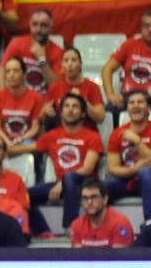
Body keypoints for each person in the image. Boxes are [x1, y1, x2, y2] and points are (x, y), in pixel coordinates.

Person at [28, 93, 101, 236]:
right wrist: (4, 147)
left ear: (83, 113)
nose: (70, 110)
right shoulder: (53, 135)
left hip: (85, 184)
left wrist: (62, 182)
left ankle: (70, 227)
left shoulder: (92, 136)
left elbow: (88, 169)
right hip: (60, 185)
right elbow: (28, 148)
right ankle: (43, 232)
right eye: (66, 106)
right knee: (23, 195)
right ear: (60, 113)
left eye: (75, 106)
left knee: (69, 178)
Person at [105, 90, 151, 223]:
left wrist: (137, 141)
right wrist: (135, 169)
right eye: (132, 103)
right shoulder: (117, 133)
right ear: (127, 109)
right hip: (126, 180)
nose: (136, 105)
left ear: (148, 108)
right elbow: (113, 168)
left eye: (140, 102)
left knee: (146, 172)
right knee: (101, 186)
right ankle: (100, 226)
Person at [68, 178, 134, 247]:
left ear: (105, 199)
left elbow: (120, 256)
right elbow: (77, 256)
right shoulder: (76, 225)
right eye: (85, 198)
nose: (89, 202)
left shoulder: (120, 224)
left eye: (94, 197)